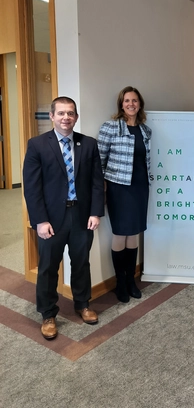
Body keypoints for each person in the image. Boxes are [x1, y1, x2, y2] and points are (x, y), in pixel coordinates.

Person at [23, 96, 104, 340]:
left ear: (76, 117)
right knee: (48, 267)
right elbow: (32, 187)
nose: (66, 117)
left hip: (81, 215)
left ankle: (82, 304)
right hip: (51, 219)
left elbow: (97, 182)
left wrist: (95, 211)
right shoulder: (37, 145)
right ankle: (48, 314)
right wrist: (40, 220)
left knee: (81, 263)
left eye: (70, 113)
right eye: (61, 113)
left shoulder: (88, 144)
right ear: (52, 116)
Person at [97, 86, 151, 303]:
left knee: (134, 234)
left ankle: (131, 280)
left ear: (140, 104)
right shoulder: (110, 127)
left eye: (135, 101)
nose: (131, 104)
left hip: (140, 188)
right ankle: (120, 283)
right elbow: (99, 161)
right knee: (120, 234)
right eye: (127, 101)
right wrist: (100, 188)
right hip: (118, 188)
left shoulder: (145, 130)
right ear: (121, 104)